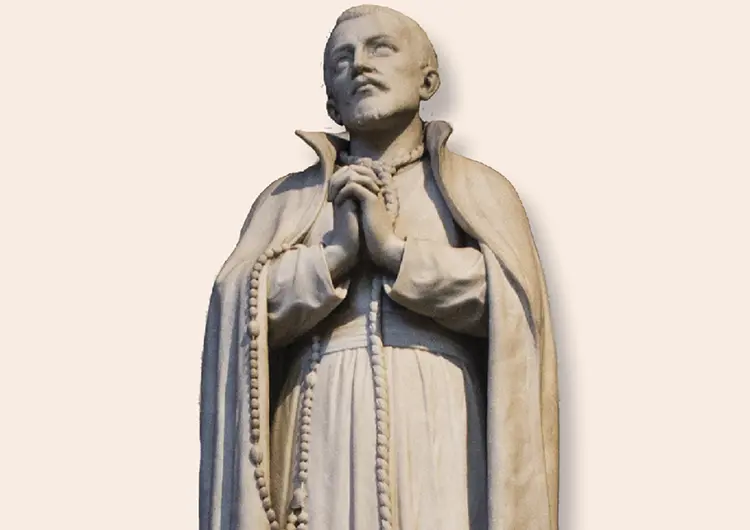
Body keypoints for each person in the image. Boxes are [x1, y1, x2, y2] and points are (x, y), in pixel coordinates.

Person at [199, 5, 559, 530]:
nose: (360, 65)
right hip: (319, 417)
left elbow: (512, 307)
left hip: (438, 415)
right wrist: (335, 258)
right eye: (341, 60)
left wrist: (395, 253)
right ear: (331, 100)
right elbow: (240, 311)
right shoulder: (287, 200)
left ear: (428, 79)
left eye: (380, 49)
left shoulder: (476, 188)